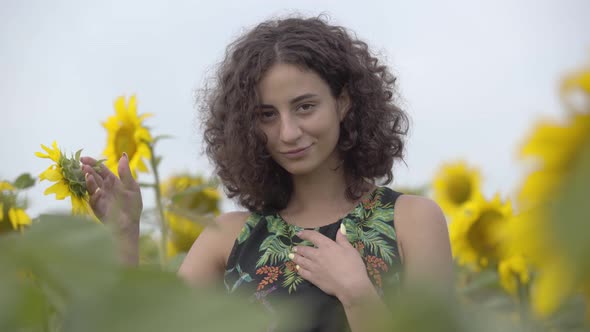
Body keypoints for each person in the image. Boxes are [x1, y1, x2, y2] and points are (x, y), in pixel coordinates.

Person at [80, 15, 453, 332]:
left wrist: (357, 293)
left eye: (305, 107)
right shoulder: (227, 239)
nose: (287, 132)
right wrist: (124, 236)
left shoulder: (412, 221)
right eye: (267, 115)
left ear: (342, 103)